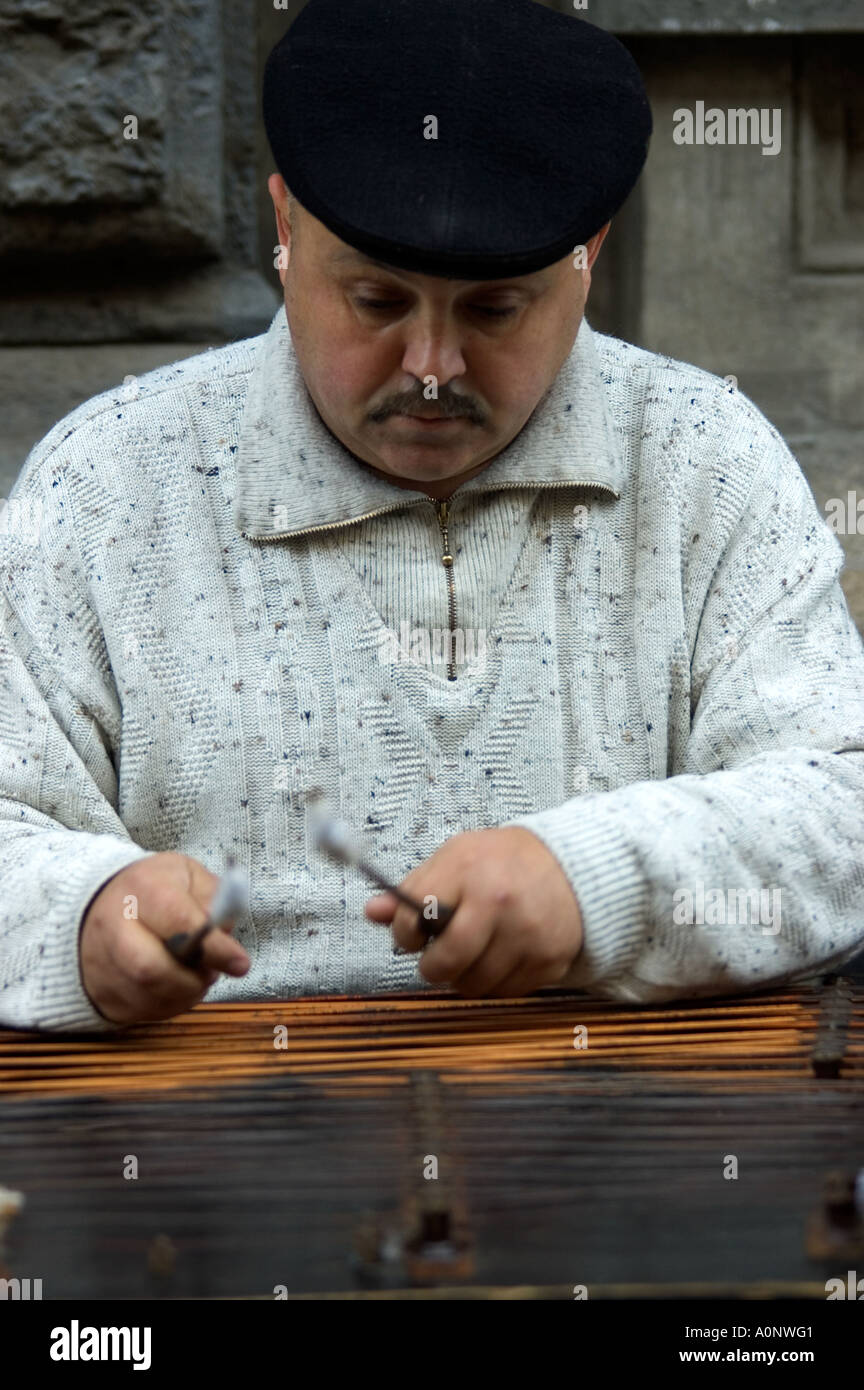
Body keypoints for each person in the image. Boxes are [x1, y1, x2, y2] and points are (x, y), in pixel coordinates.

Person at [1, 0, 863, 1033]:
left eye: (495, 309)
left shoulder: (704, 461)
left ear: (588, 254)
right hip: (207, 1107)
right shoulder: (104, 486)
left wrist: (597, 880)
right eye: (375, 300)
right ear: (285, 230)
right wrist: (84, 917)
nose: (431, 367)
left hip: (616, 1106)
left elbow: (842, 811)